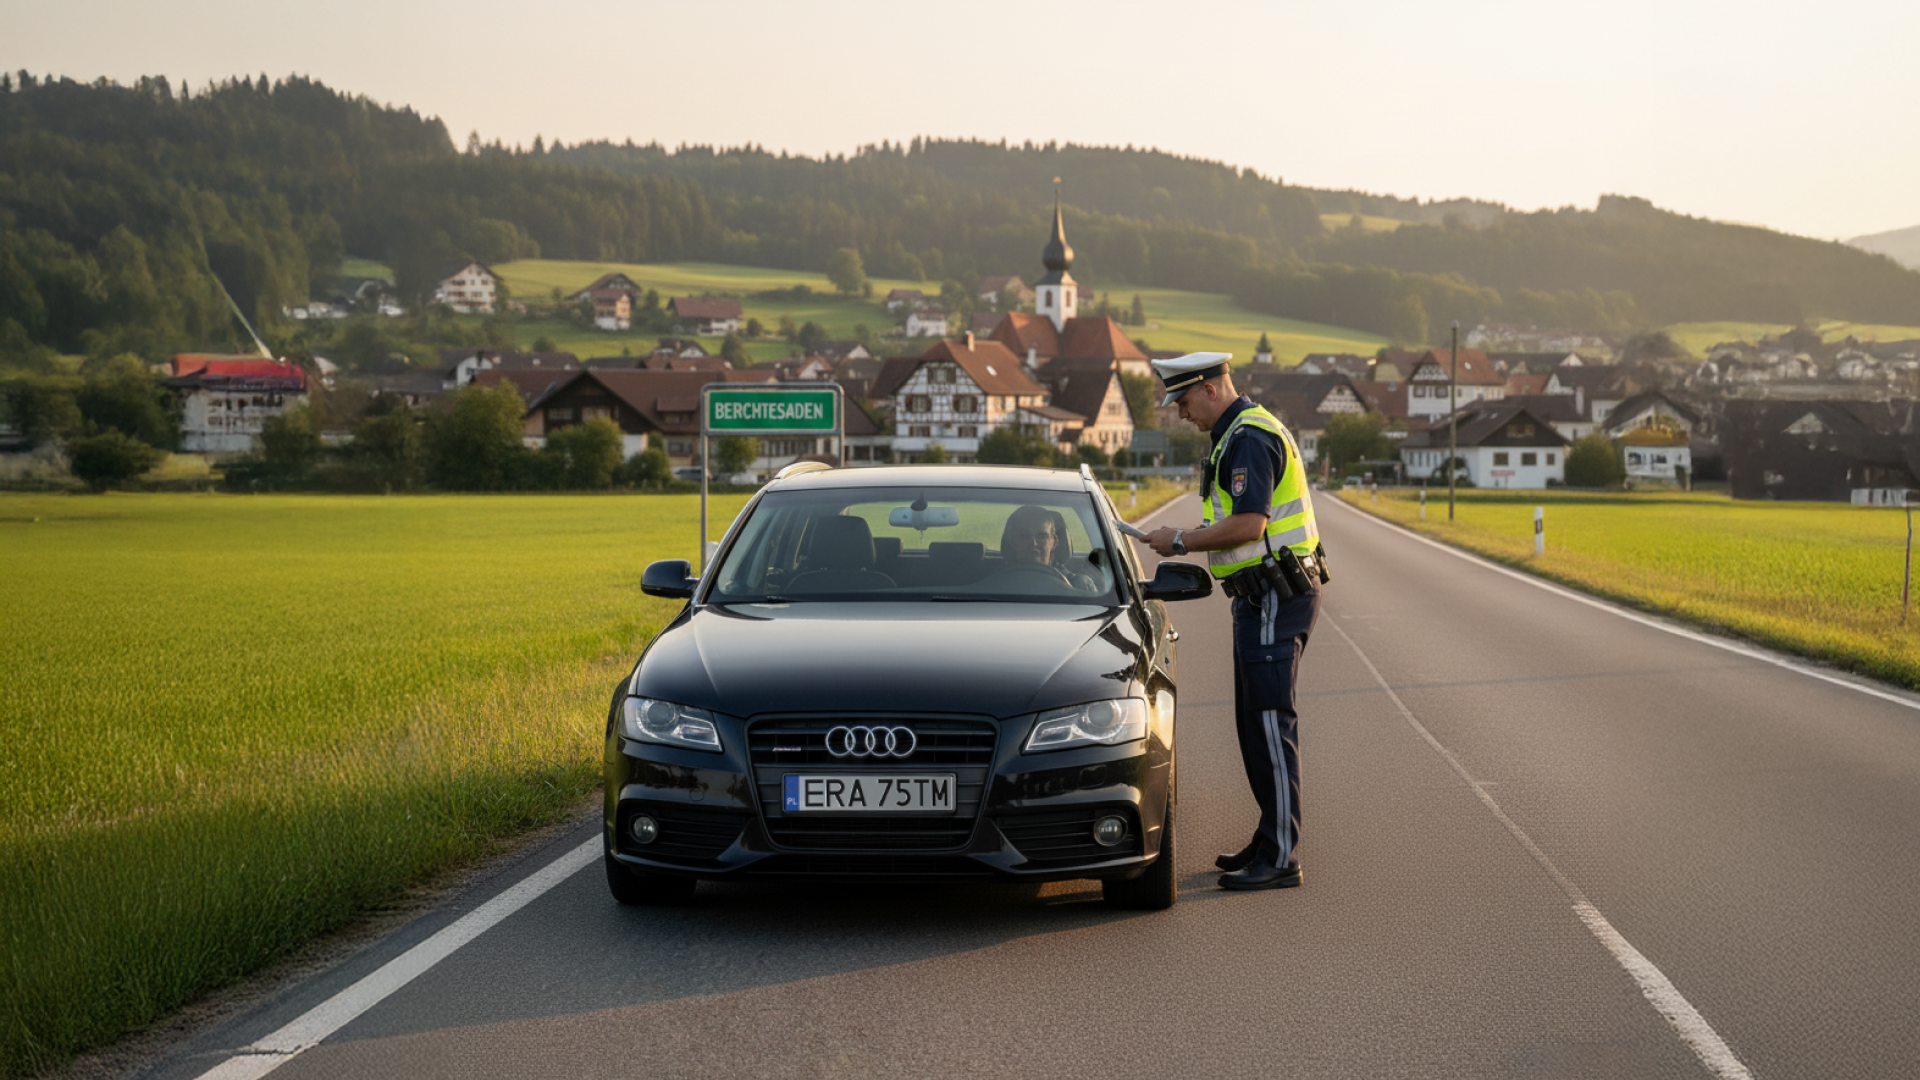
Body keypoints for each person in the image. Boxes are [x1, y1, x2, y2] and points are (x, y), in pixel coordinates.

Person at [1134, 352, 1326, 891]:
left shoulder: (1248, 438)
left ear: (1211, 389)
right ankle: (1270, 838)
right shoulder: (1235, 435)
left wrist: (1180, 541)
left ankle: (1282, 856)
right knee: (1253, 725)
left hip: (1274, 595)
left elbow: (1249, 524)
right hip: (1259, 596)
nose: (1180, 413)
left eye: (1184, 401)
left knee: (1269, 724)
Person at [998, 505, 1097, 591]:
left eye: (1042, 536)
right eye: (1024, 536)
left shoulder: (1082, 586)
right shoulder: (995, 583)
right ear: (1013, 541)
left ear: (1054, 542)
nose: (1033, 543)